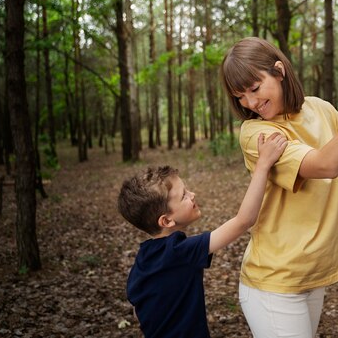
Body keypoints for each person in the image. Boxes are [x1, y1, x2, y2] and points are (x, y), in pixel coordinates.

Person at [220, 36, 338, 338]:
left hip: (311, 277)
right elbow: (325, 165)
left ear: (279, 71)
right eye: (240, 96)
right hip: (274, 284)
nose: (250, 103)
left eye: (254, 89)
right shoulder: (257, 133)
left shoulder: (319, 109)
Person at [117, 132, 288, 338]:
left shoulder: (144, 258)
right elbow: (244, 221)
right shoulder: (179, 252)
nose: (192, 195)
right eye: (184, 196)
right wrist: (263, 165)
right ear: (166, 220)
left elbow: (137, 310)